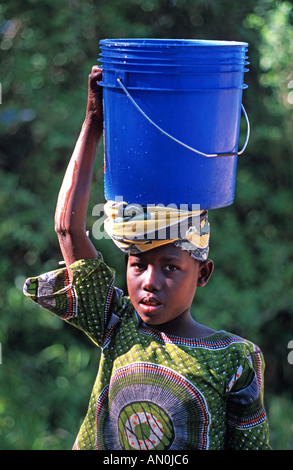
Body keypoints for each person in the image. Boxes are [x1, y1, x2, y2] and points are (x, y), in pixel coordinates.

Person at [23, 66, 271, 450]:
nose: (150, 281)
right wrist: (93, 122)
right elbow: (67, 229)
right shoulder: (116, 325)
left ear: (203, 273)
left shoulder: (235, 359)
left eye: (171, 267)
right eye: (138, 265)